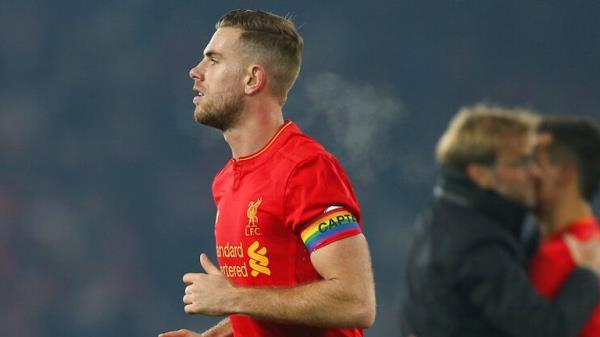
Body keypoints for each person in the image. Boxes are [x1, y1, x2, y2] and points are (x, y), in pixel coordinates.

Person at [159, 9, 376, 337]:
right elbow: (273, 300)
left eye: (213, 60)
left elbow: (355, 302)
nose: (195, 71)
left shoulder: (305, 170)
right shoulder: (226, 181)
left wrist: (231, 296)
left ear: (252, 79)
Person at [399, 104, 600, 337]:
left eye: (534, 161)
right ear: (481, 174)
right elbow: (544, 330)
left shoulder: (445, 214)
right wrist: (587, 274)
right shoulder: (478, 242)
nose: (532, 171)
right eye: (520, 163)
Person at [529, 117, 600, 337]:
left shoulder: (557, 258)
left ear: (565, 174)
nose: (526, 173)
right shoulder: (591, 243)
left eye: (535, 163)